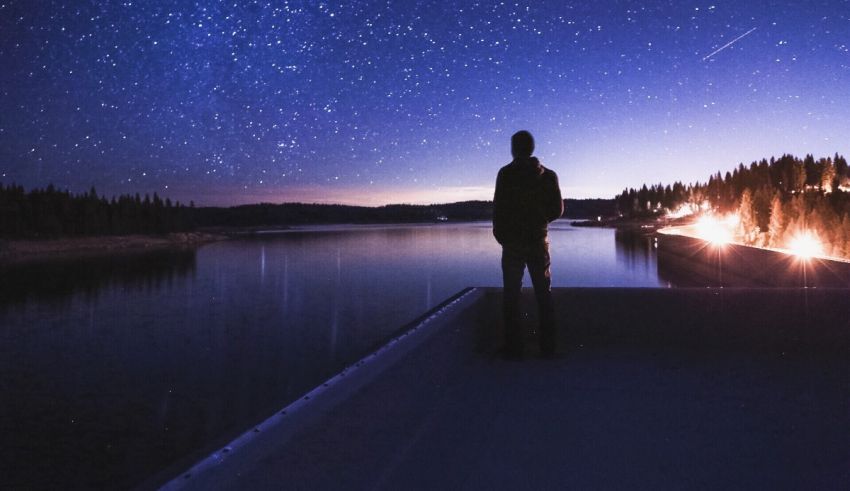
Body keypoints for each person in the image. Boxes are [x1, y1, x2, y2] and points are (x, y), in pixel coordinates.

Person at [493, 130, 564, 359]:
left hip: (513, 243)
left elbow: (499, 209)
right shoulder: (549, 175)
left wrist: (502, 235)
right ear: (532, 148)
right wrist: (539, 222)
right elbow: (557, 210)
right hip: (537, 242)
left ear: (514, 148)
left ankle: (514, 349)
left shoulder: (505, 174)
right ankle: (548, 348)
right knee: (544, 295)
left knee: (511, 296)